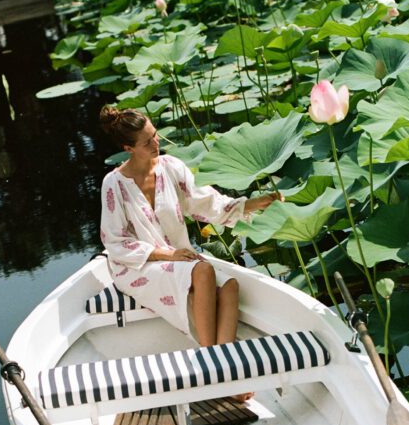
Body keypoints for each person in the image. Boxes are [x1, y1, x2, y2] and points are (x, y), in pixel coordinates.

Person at [99, 106, 282, 399]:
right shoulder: (114, 185)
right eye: (147, 142)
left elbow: (204, 202)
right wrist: (167, 255)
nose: (156, 143)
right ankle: (216, 370)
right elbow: (115, 242)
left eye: (155, 135)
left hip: (179, 260)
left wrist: (252, 204)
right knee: (204, 269)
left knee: (231, 287)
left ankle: (224, 369)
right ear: (127, 148)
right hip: (138, 266)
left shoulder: (170, 167)